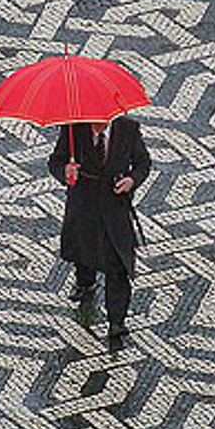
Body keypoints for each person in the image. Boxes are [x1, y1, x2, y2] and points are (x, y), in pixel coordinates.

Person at [48, 115, 150, 341]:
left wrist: (132, 180)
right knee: (84, 251)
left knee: (118, 266)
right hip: (84, 207)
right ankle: (85, 283)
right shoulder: (73, 128)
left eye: (101, 121)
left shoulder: (128, 128)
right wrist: (66, 171)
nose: (96, 125)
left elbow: (143, 163)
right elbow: (55, 161)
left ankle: (117, 321)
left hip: (115, 209)